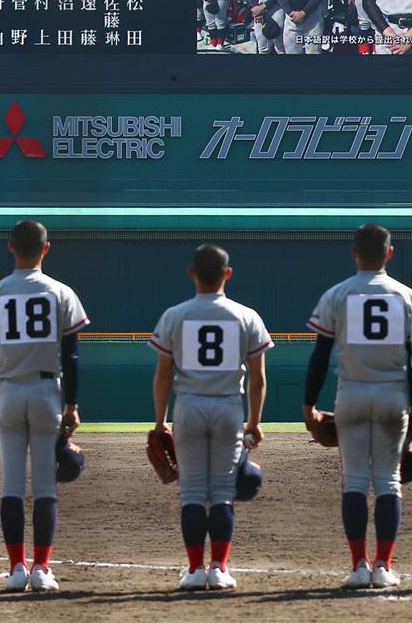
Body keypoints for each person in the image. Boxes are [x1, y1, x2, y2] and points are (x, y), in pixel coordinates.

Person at [0, 219, 89, 592]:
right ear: (46, 248)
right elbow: (71, 356)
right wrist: (72, 403)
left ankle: (16, 568)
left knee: (11, 484)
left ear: (10, 247)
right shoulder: (60, 292)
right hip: (45, 391)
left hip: (6, 391)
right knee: (44, 487)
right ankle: (41, 568)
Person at [150, 243, 272, 592]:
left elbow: (163, 374)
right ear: (227, 274)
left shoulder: (175, 315)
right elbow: (258, 377)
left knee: (191, 493)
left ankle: (193, 570)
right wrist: (254, 421)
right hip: (227, 406)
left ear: (191, 272)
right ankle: (218, 568)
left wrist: (160, 421)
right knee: (222, 492)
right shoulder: (246, 316)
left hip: (188, 405)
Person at [304, 223, 412, 588]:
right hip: (392, 394)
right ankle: (383, 566)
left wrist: (309, 405)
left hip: (350, 394)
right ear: (390, 253)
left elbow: (320, 355)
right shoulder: (406, 296)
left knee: (354, 481)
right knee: (388, 481)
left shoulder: (337, 294)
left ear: (354, 253)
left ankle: (358, 566)